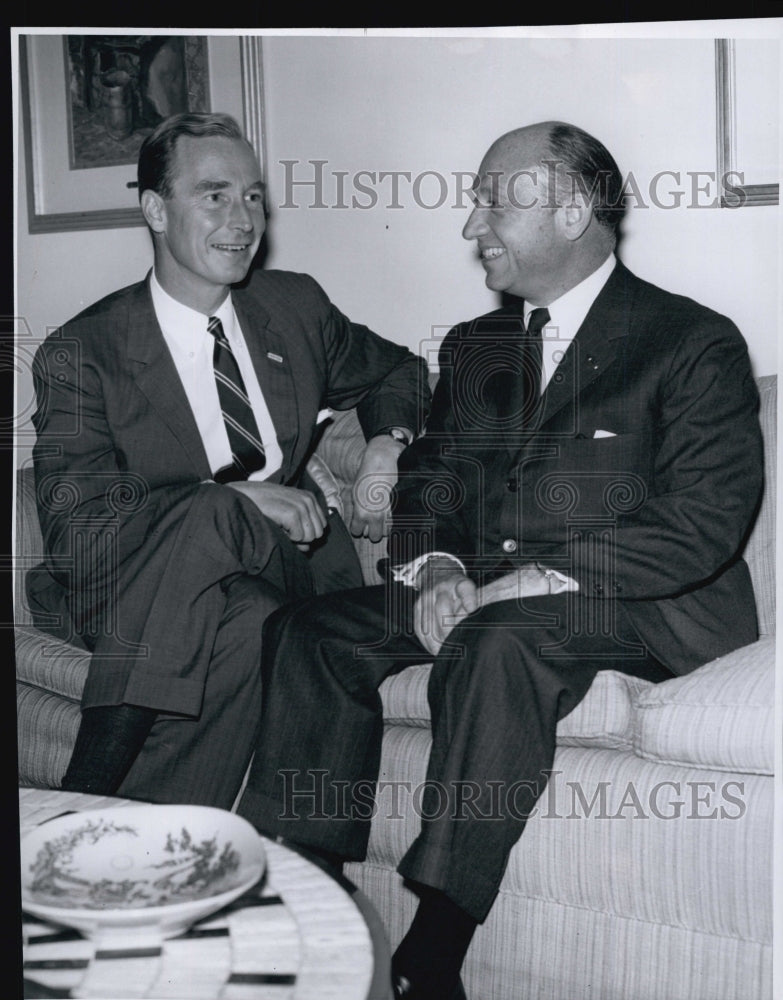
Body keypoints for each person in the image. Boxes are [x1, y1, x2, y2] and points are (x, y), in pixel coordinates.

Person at [235, 121, 764, 1000]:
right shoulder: (476, 348)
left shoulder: (691, 341)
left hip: (636, 605)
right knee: (310, 629)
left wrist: (536, 577)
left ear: (571, 210)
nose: (470, 225)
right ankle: (316, 892)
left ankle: (432, 950)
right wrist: (438, 566)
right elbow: (431, 480)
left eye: (491, 199)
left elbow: (705, 519)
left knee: (500, 639)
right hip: (487, 595)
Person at [27, 112, 430, 810]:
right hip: (129, 586)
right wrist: (238, 501)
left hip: (295, 560)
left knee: (243, 580)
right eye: (213, 194)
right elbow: (78, 534)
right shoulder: (82, 353)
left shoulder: (293, 306)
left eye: (252, 197)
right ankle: (159, 854)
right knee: (244, 617)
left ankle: (81, 803)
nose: (242, 218)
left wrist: (384, 448)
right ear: (155, 208)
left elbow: (398, 371)